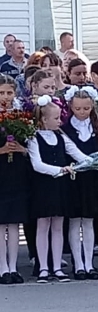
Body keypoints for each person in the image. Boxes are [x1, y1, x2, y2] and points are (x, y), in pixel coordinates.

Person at [28, 95, 91, 283]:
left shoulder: (61, 136)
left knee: (58, 226)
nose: (60, 121)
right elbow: (37, 164)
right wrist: (60, 170)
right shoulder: (34, 138)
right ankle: (43, 267)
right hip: (43, 187)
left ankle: (57, 266)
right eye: (56, 118)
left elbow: (79, 155)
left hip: (60, 187)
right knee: (42, 226)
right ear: (43, 120)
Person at [61, 86, 98, 280]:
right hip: (73, 181)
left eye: (86, 108)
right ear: (71, 107)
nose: (82, 112)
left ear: (92, 107)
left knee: (89, 221)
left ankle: (89, 263)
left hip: (93, 181)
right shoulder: (65, 129)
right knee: (73, 222)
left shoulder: (97, 129)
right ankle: (78, 264)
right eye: (77, 108)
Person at [0, 74, 29, 284]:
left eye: (9, 92)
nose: (5, 97)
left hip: (16, 173)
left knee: (14, 224)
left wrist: (21, 148)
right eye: (1, 93)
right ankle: (2, 267)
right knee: (1, 224)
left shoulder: (20, 116)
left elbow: (31, 147)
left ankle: (13, 266)